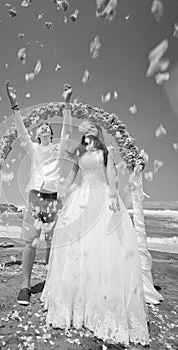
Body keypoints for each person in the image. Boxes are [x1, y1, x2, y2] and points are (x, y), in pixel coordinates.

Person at [41, 121, 149, 346]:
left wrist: (113, 195)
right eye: (86, 128)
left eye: (92, 127)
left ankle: (101, 303)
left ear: (98, 132)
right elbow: (72, 174)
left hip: (101, 199)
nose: (88, 129)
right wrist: (64, 190)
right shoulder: (80, 152)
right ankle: (74, 302)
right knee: (78, 250)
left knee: (103, 248)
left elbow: (111, 175)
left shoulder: (105, 152)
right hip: (81, 200)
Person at [6, 81, 73, 305]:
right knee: (30, 242)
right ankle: (25, 286)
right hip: (35, 198)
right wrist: (15, 106)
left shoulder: (58, 149)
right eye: (41, 127)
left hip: (54, 200)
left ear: (51, 134)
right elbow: (21, 131)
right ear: (38, 134)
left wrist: (66, 103)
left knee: (53, 243)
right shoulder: (34, 149)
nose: (44, 128)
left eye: (48, 127)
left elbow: (67, 130)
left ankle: (51, 283)